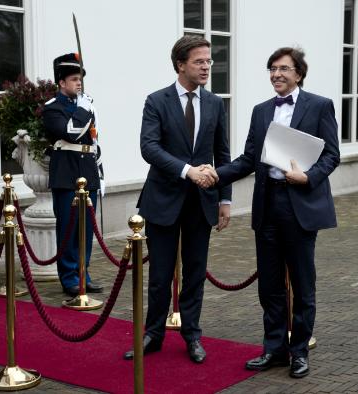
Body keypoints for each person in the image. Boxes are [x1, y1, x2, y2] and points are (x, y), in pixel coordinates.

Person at [216, 47, 340, 378]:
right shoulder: (260, 111)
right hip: (267, 204)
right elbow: (247, 159)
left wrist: (308, 177)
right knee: (269, 285)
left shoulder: (319, 106)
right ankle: (274, 348)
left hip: (300, 203)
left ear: (299, 73)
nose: (276, 74)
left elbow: (331, 155)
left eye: (283, 68)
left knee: (302, 283)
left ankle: (299, 351)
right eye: (272, 68)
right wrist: (215, 175)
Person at [123, 35, 231, 363]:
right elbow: (149, 148)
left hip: (202, 203)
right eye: (199, 61)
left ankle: (192, 336)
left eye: (209, 61)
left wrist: (225, 199)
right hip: (162, 200)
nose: (206, 67)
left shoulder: (215, 103)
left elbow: (223, 154)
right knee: (159, 276)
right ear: (180, 64)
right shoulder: (157, 101)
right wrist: (187, 171)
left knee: (195, 273)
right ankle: (153, 334)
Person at [42, 53, 104, 297]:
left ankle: (82, 274)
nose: (79, 83)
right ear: (62, 83)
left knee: (86, 230)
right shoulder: (52, 108)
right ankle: (69, 277)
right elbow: (71, 133)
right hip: (66, 174)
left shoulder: (86, 105)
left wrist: (100, 175)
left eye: (80, 79)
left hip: (87, 172)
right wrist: (83, 110)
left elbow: (95, 142)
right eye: (74, 79)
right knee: (69, 229)